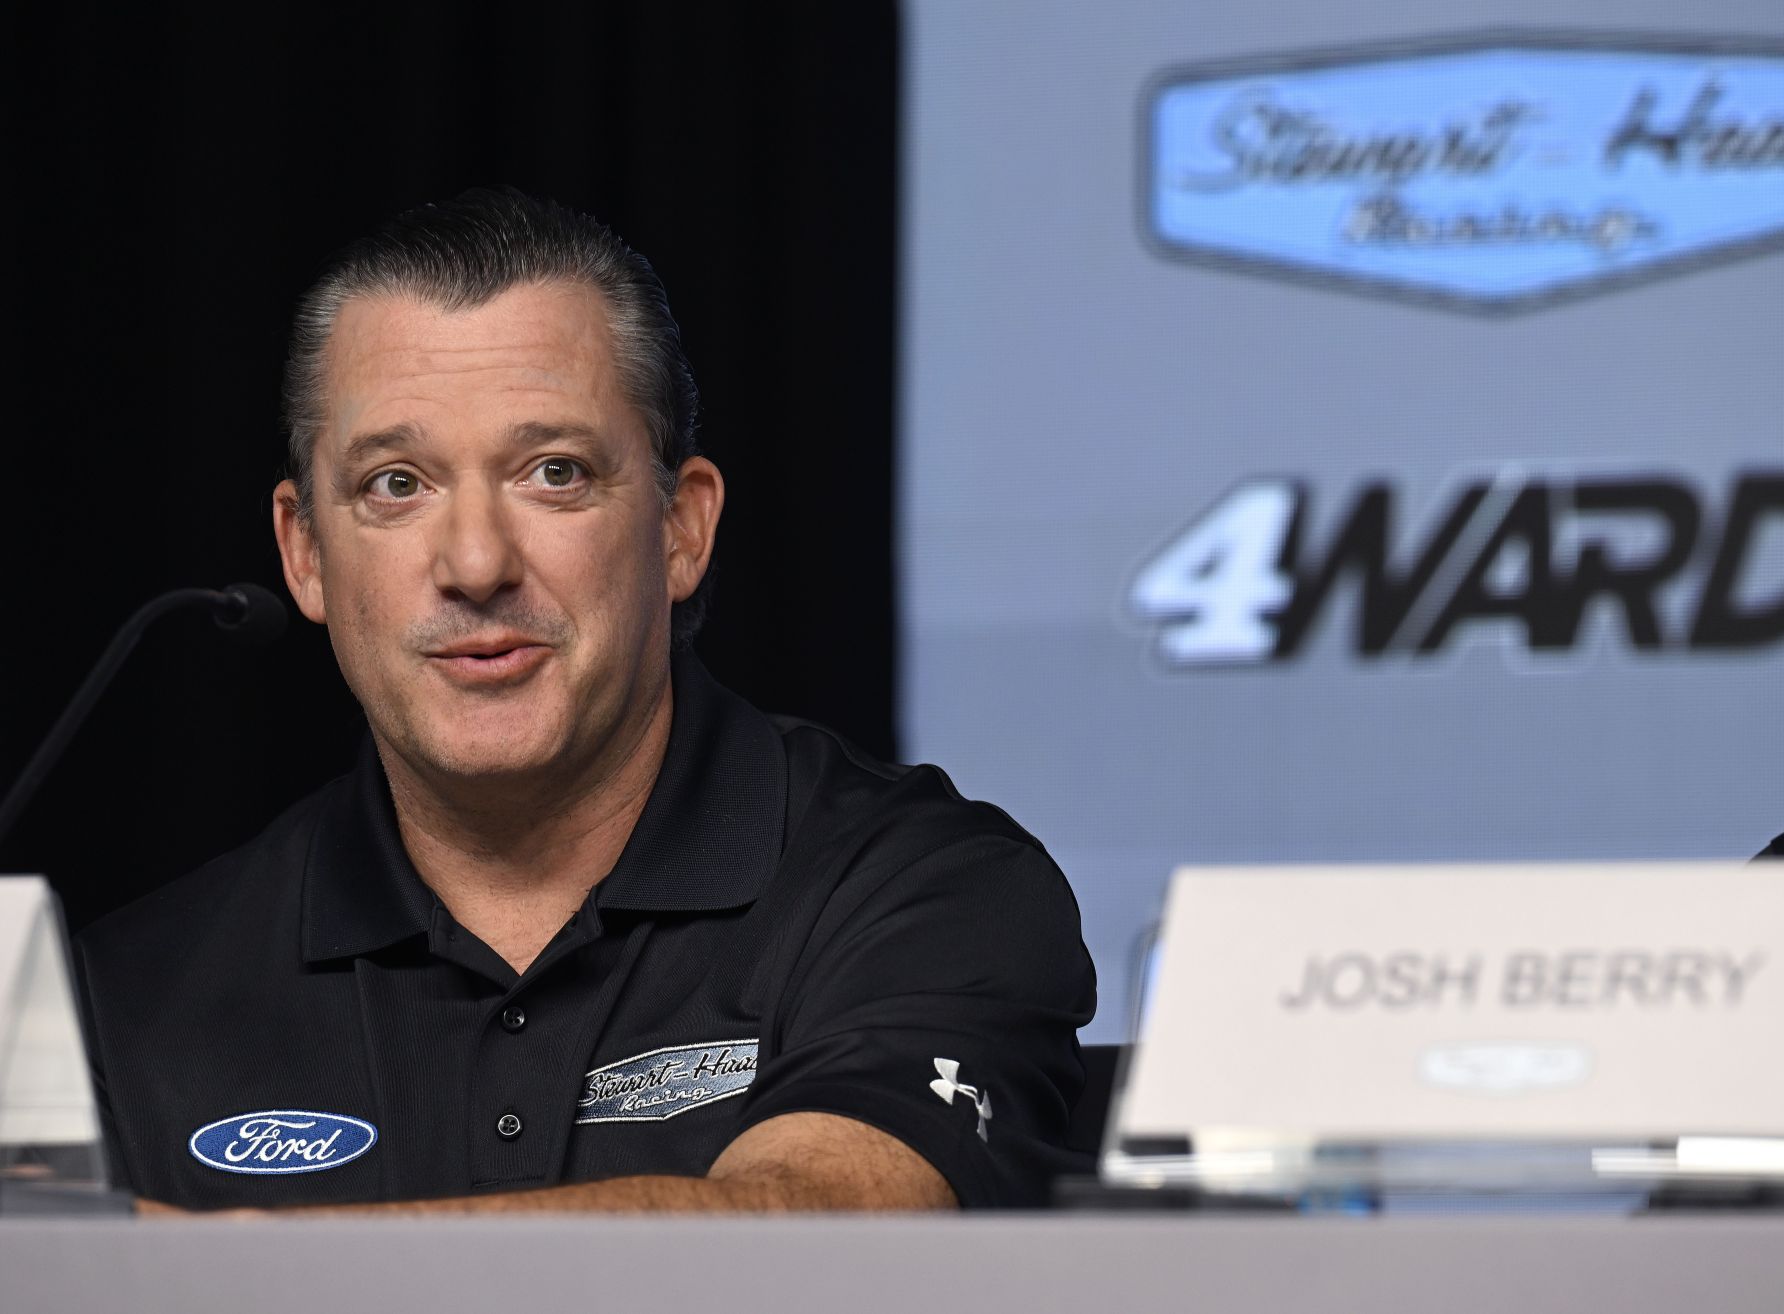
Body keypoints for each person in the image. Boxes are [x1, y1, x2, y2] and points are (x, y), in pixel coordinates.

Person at [73, 187, 1096, 1213]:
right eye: (396, 483)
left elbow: (817, 1238)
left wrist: (187, 1266)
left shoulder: (928, 892)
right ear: (305, 554)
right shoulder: (124, 993)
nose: (475, 564)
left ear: (681, 529)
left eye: (552, 472)